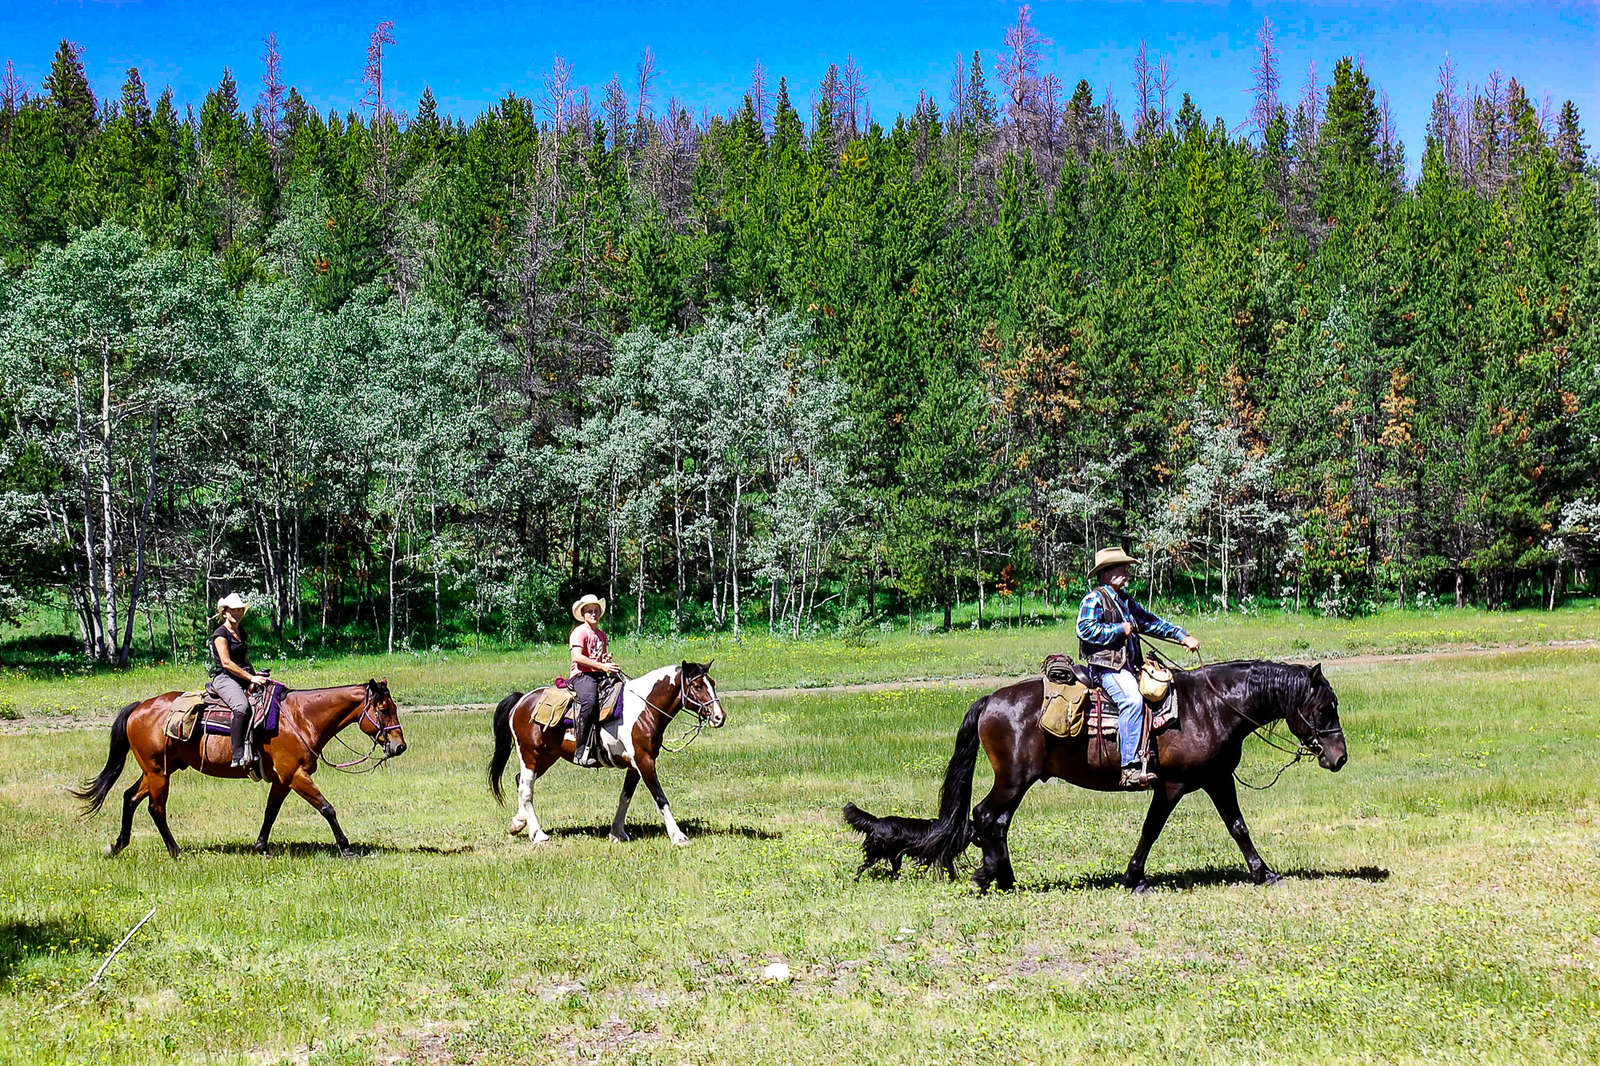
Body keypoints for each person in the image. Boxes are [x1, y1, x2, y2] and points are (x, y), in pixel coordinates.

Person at [1076, 547, 1200, 789]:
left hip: (1127, 666)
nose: (1127, 572)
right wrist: (1119, 630)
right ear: (1105, 573)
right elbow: (1085, 629)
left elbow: (1151, 622)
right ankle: (1129, 766)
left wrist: (1181, 636)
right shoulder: (1094, 598)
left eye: (1125, 567)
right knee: (1132, 700)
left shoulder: (1124, 601)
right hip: (1106, 669)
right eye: (1121, 567)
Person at [206, 592, 270, 769]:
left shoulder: (240, 632)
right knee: (241, 707)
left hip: (242, 675)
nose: (238, 613)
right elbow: (226, 663)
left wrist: (257, 676)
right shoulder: (220, 634)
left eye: (240, 610)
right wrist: (251, 677)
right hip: (225, 678)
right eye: (233, 610)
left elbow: (246, 659)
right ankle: (237, 752)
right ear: (224, 613)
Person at [568, 594, 621, 767]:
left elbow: (599, 658)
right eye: (589, 611)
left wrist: (607, 662)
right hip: (581, 675)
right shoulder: (579, 632)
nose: (593, 614)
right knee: (589, 703)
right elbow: (577, 657)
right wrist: (601, 666)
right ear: (583, 614)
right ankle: (581, 749)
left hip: (597, 674)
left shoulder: (601, 635)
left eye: (596, 611)